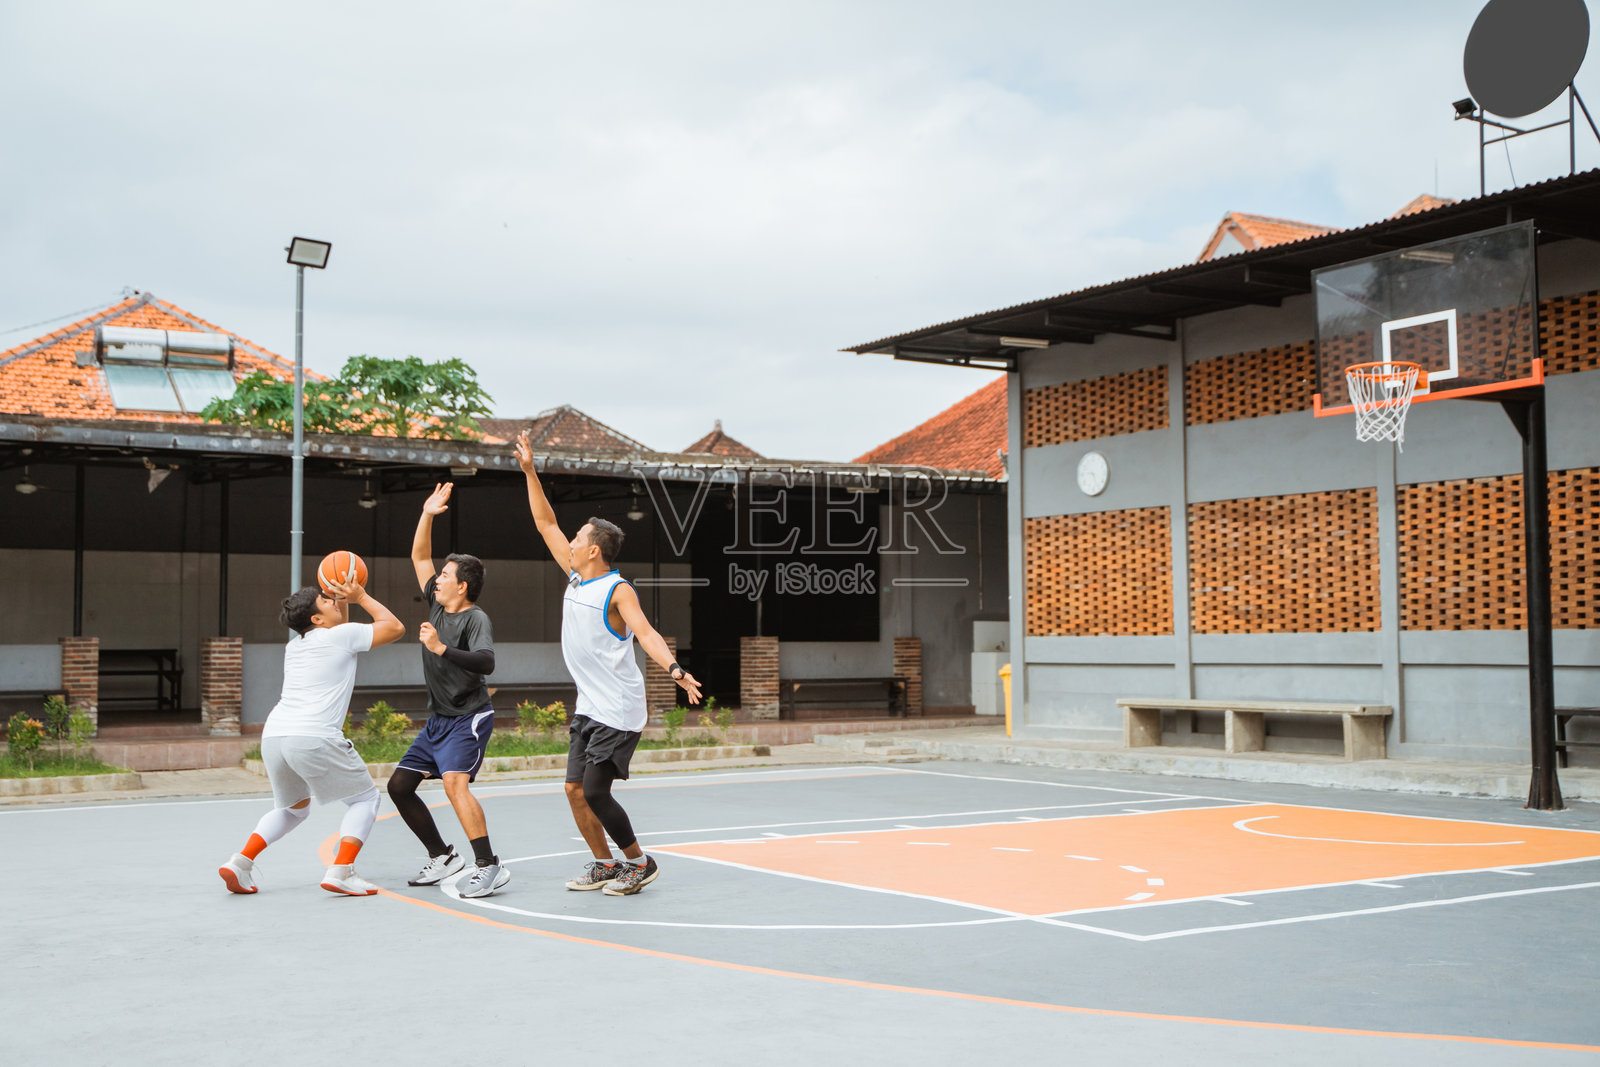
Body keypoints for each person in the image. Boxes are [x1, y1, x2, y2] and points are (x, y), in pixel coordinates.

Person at [515, 430, 702, 896]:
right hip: (590, 706)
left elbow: (647, 633)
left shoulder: (618, 591)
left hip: (618, 708)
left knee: (597, 792)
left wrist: (675, 671)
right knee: (574, 791)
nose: (571, 542)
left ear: (594, 549)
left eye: (579, 539)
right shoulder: (577, 579)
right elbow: (545, 523)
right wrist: (530, 472)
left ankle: (638, 863)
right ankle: (604, 863)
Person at [218, 578, 404, 896]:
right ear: (316, 619)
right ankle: (341, 870)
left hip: (276, 735)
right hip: (313, 736)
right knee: (365, 799)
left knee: (292, 809)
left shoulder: (296, 645)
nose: (333, 602)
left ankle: (241, 862)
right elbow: (394, 627)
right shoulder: (341, 636)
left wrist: (340, 596)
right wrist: (360, 596)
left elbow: (338, 622)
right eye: (326, 601)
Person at [385, 483, 508, 898]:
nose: (437, 578)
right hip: (438, 719)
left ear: (463, 587)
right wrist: (427, 514)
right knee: (399, 787)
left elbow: (486, 662)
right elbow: (420, 555)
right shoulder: (437, 605)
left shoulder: (476, 619)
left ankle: (490, 865)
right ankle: (443, 855)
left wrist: (442, 648)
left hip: (469, 717)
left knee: (456, 785)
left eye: (446, 576)